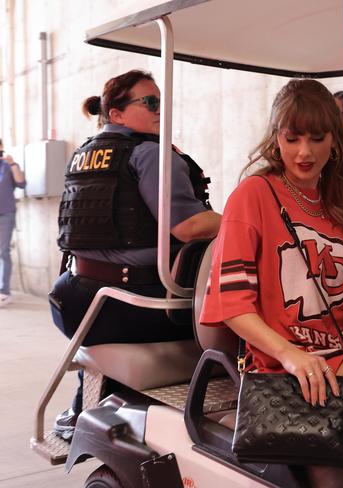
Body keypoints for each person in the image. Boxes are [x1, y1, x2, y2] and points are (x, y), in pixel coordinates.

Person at [200, 79, 343, 428]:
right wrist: (290, 355)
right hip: (289, 371)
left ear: (335, 140)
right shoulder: (254, 195)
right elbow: (231, 304)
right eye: (293, 139)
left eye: (317, 138)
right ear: (276, 138)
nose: (304, 152)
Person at [50, 69, 222, 439]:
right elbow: (188, 227)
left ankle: (85, 404)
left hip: (74, 301)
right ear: (116, 114)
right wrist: (248, 219)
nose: (161, 110)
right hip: (137, 307)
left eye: (162, 102)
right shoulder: (151, 155)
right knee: (234, 308)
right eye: (151, 102)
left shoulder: (84, 154)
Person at [0, 139, 26, 307]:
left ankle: (4, 291)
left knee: (3, 251)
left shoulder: (8, 166)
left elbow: (22, 183)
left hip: (5, 214)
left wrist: (13, 164)